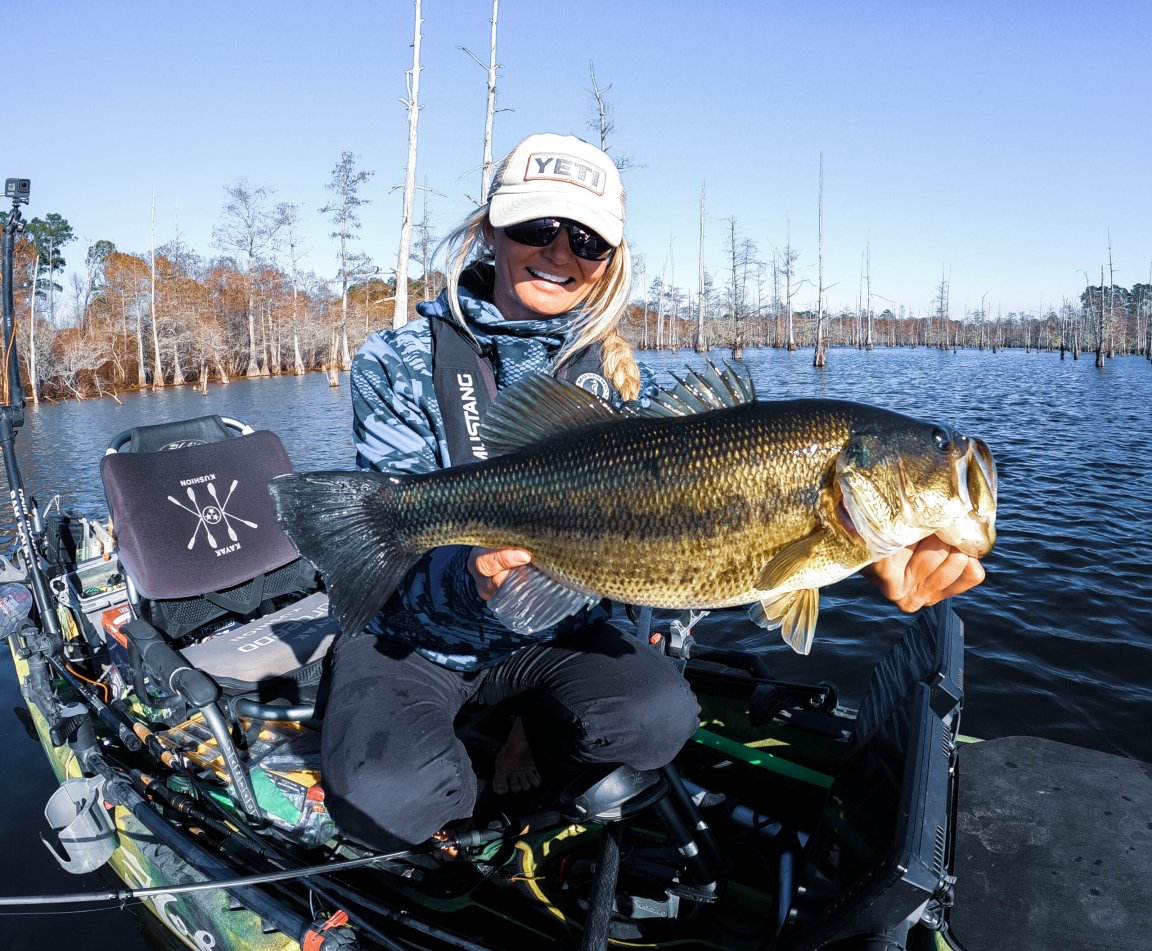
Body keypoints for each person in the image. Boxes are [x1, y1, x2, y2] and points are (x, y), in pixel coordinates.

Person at [319, 132, 985, 851]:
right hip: (416, 641)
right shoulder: (398, 362)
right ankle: (455, 815)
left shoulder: (623, 387)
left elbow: (685, 547)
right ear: (489, 230)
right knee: (389, 800)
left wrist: (881, 553)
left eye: (587, 240)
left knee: (659, 714)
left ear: (609, 263)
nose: (559, 251)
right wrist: (469, 579)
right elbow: (389, 582)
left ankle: (522, 743)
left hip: (544, 628)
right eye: (534, 228)